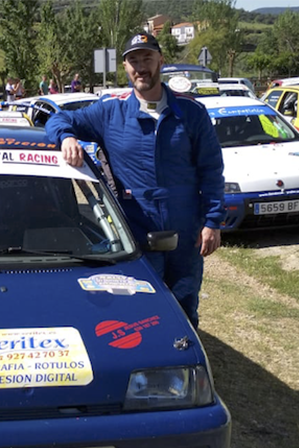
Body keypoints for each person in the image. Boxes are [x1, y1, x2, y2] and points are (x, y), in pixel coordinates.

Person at [45, 32, 224, 329]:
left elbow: (212, 170)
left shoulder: (192, 113)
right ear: (126, 68)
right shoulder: (109, 112)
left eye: (147, 58)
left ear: (161, 60)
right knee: (140, 308)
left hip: (186, 229)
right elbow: (57, 119)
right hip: (136, 231)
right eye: (133, 61)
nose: (141, 67)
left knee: (184, 304)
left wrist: (212, 222)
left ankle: (186, 365)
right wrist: (67, 138)